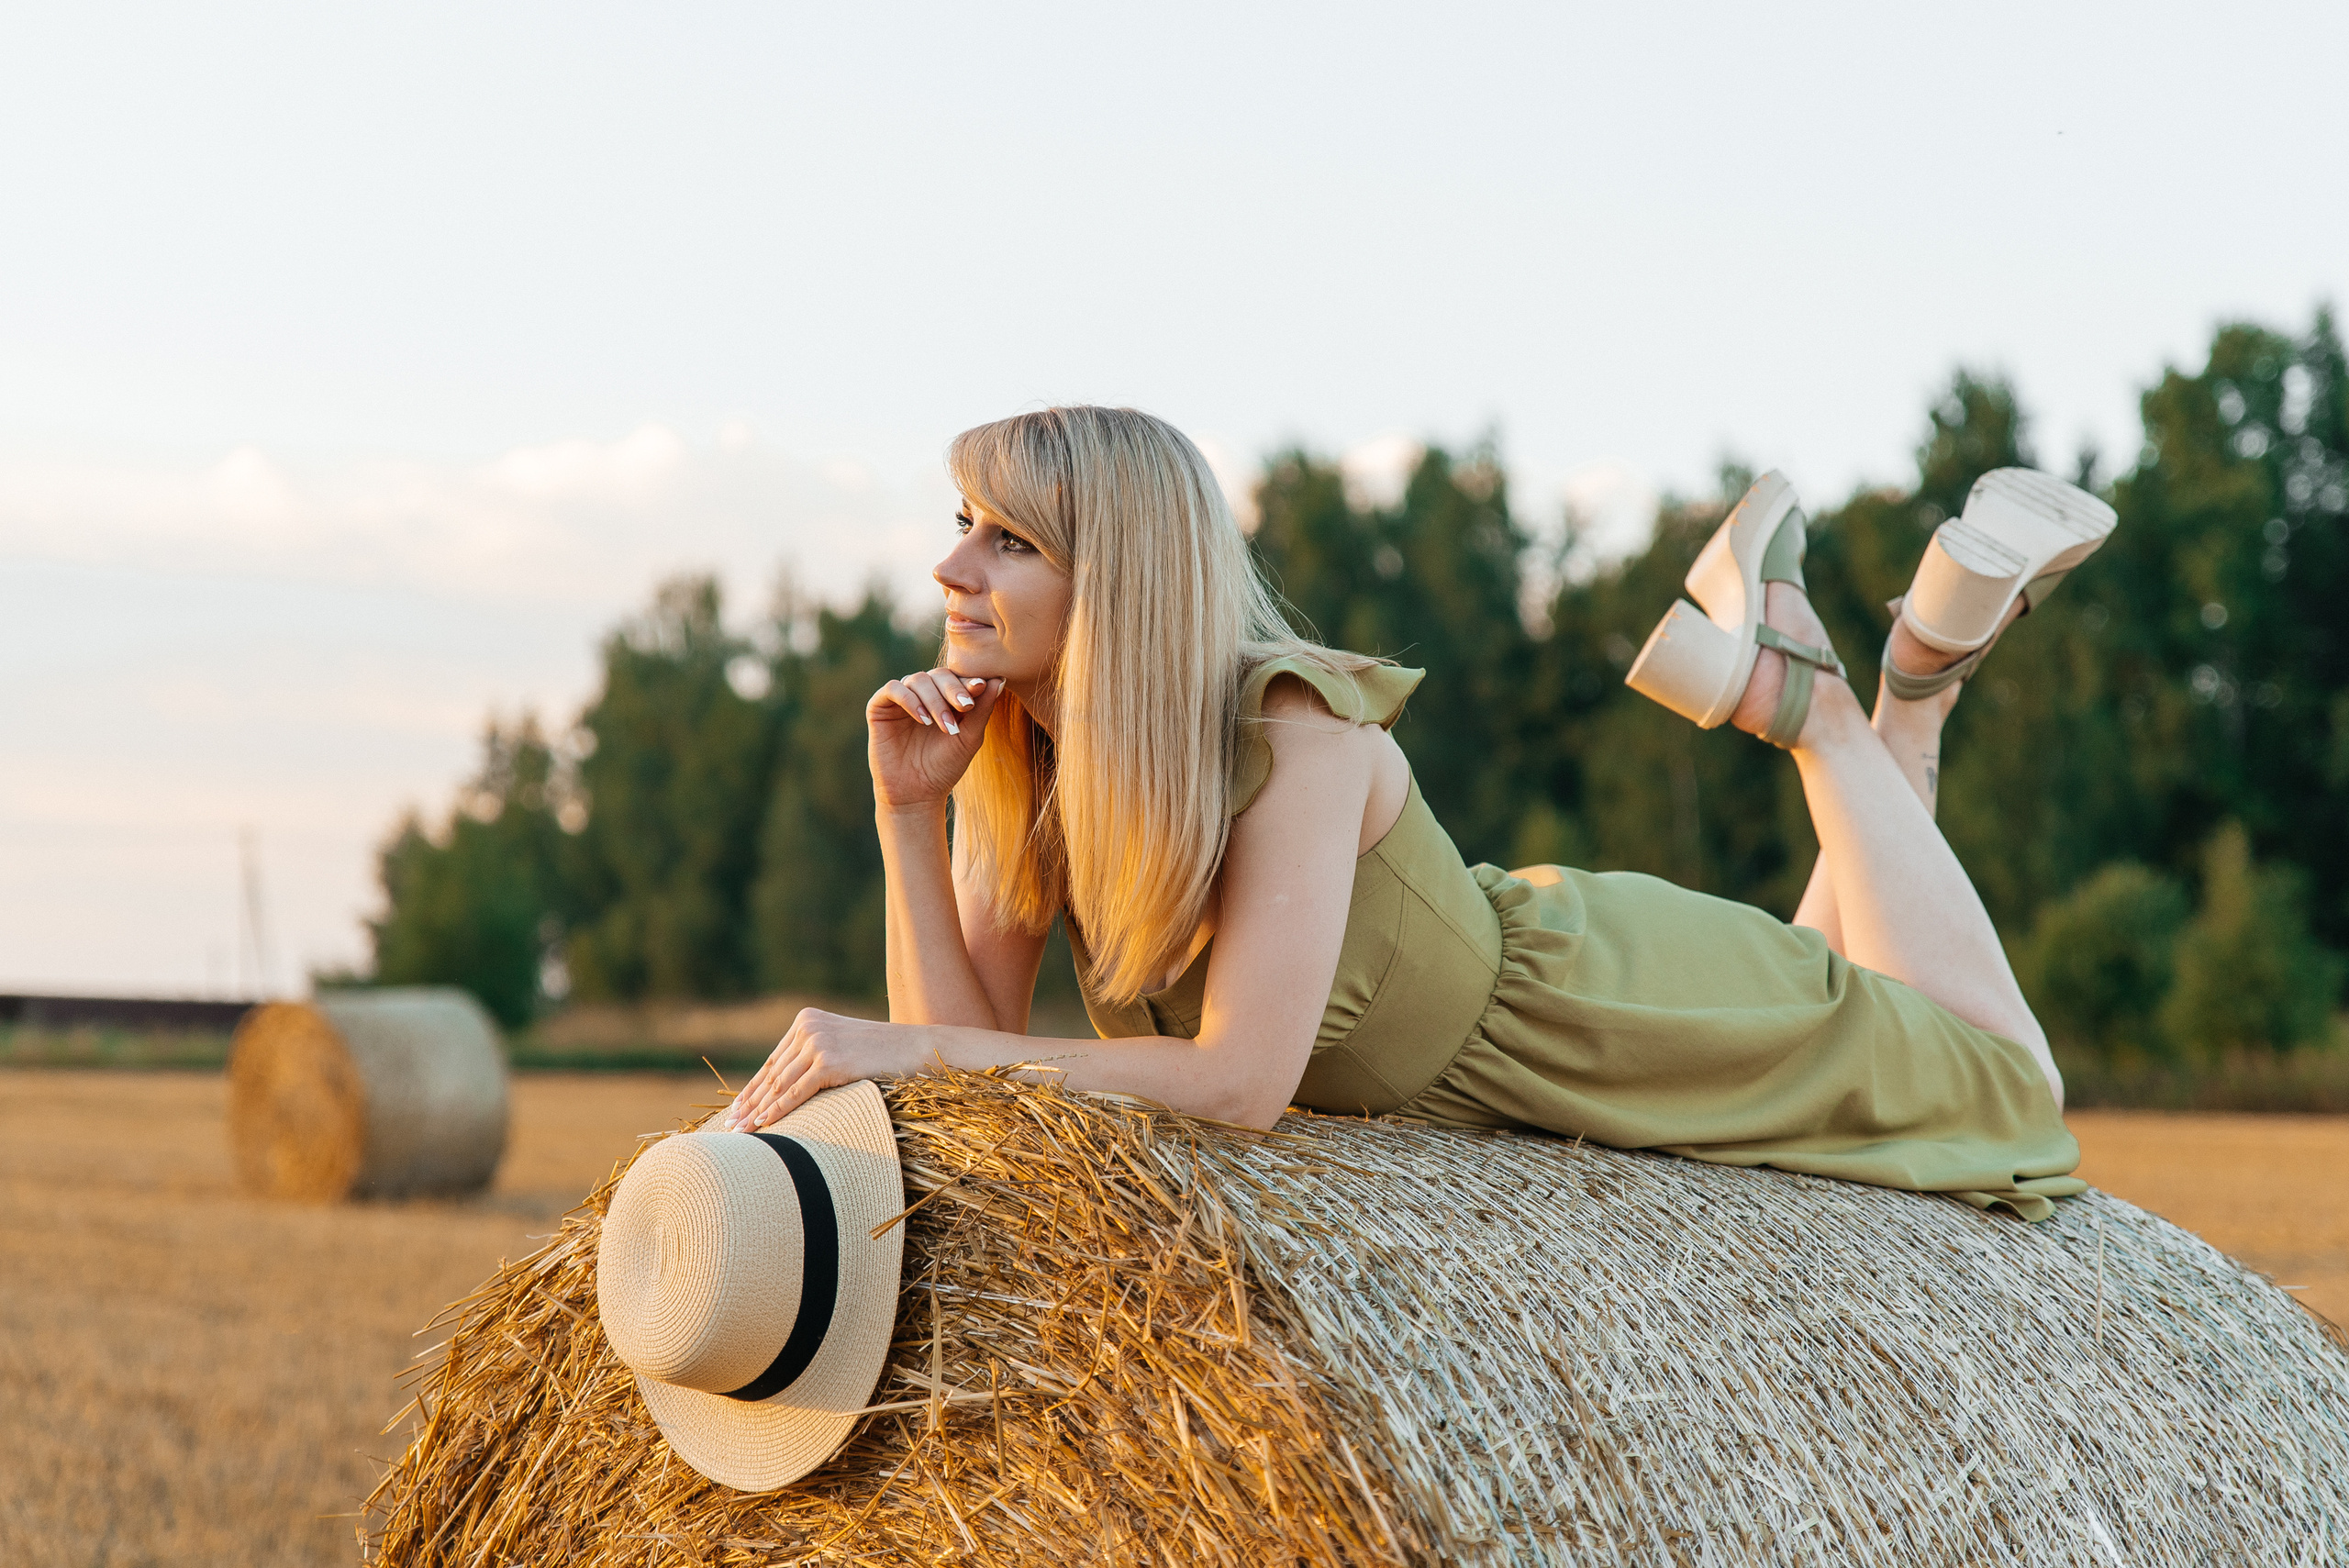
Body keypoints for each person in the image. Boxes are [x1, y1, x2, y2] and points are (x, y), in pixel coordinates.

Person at [724, 406, 2105, 1218]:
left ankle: (1826, 706)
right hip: (1530, 1087)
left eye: (1006, 538)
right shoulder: (1032, 768)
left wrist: (904, 1047)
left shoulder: (1294, 722)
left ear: (1122, 577)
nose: (949, 561)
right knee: (1863, 991)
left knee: (2009, 1092)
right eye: (964, 520)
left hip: (1607, 1017)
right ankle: (1912, 677)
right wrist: (909, 814)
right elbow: (950, 1048)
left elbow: (1236, 1082)